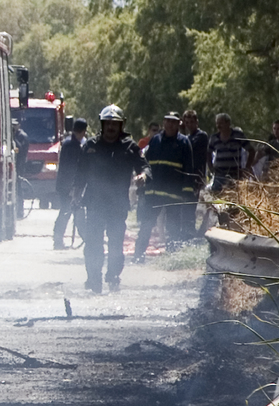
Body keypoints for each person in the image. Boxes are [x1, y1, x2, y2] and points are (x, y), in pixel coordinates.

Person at [80, 105, 143, 292]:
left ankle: (114, 275)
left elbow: (144, 167)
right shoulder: (90, 146)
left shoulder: (130, 147)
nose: (110, 128)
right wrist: (74, 197)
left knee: (116, 244)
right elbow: (79, 175)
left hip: (117, 205)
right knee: (93, 244)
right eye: (107, 124)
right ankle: (93, 278)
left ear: (121, 126)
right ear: (102, 124)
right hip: (94, 204)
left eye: (114, 124)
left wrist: (143, 176)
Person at [137, 112, 197, 258]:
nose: (170, 124)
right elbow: (146, 164)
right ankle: (138, 256)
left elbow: (189, 169)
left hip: (173, 196)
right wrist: (143, 181)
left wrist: (187, 193)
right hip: (153, 194)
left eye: (174, 122)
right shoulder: (155, 140)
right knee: (146, 225)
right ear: (163, 122)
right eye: (168, 121)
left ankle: (171, 258)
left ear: (179, 124)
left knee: (173, 228)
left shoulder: (184, 143)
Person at [51, 115, 90, 249]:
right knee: (67, 212)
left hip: (73, 186)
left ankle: (88, 240)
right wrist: (73, 188)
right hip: (68, 186)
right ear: (82, 131)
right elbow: (70, 168)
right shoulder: (70, 145)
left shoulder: (77, 144)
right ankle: (58, 239)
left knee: (77, 214)